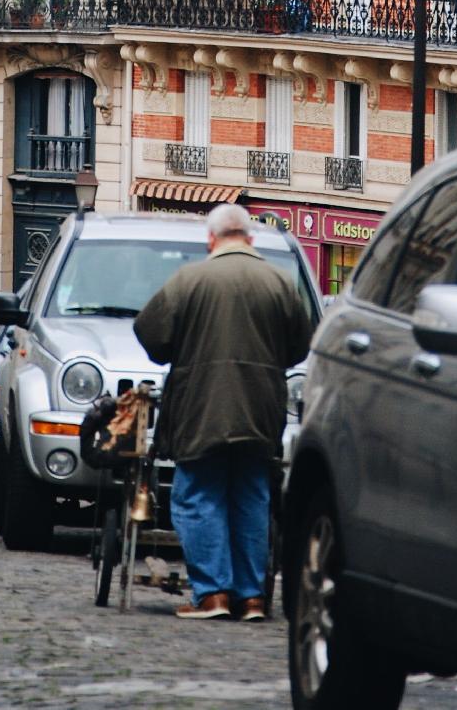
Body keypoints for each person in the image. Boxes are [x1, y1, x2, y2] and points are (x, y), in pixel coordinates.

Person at [133, 203, 313, 622]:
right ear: (250, 239)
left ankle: (212, 593)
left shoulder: (190, 279)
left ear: (211, 240)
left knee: (197, 494)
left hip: (202, 405)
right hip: (260, 405)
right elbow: (300, 346)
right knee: (252, 495)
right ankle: (251, 597)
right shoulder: (279, 282)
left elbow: (151, 335)